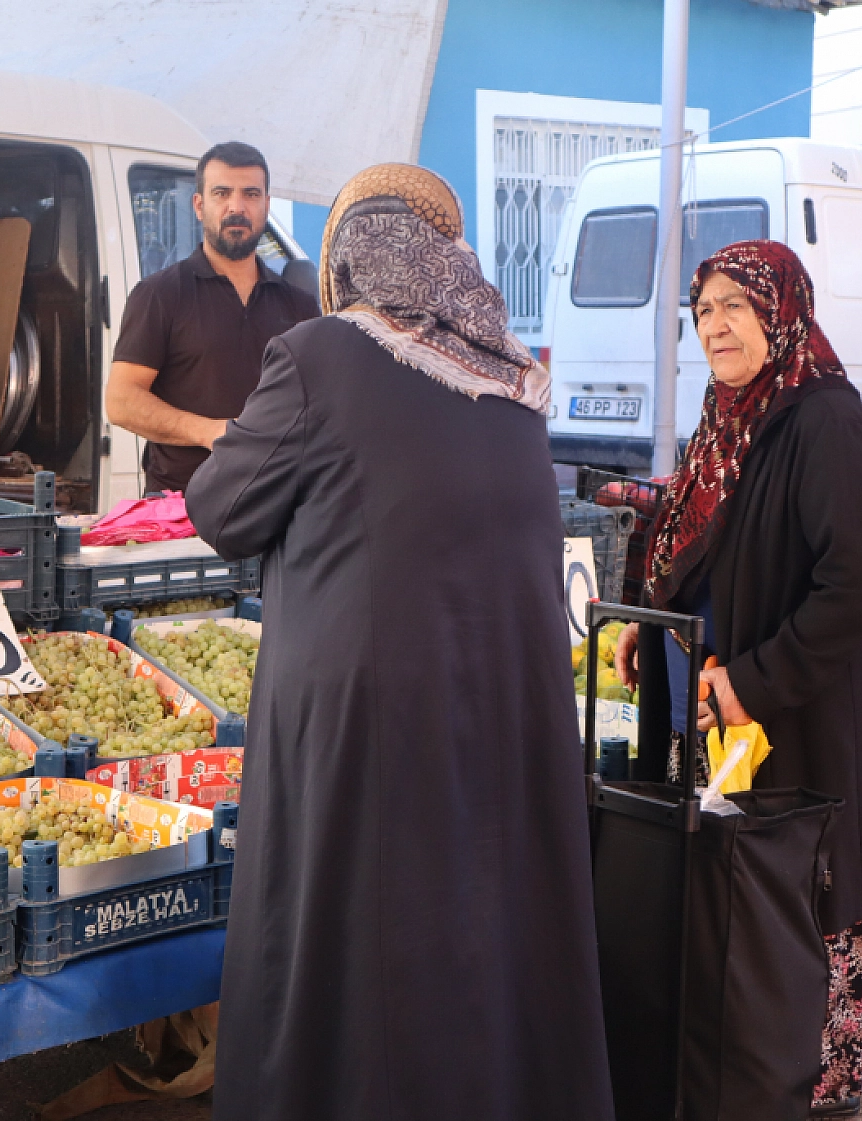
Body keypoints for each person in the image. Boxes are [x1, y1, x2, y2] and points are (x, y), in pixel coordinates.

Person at [187, 164, 613, 1121]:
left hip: (368, 723)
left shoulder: (319, 355)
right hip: (504, 713)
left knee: (357, 945)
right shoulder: (511, 375)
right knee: (480, 937)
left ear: (349, 259)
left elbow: (221, 506)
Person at [615, 240, 862, 1118]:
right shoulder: (727, 414)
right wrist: (647, 617)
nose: (715, 325)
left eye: (735, 306)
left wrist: (754, 681)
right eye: (703, 310)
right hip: (719, 702)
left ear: (781, 313)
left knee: (806, 884)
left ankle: (815, 1085)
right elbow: (690, 538)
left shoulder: (823, 418)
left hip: (802, 715)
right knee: (744, 879)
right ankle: (743, 1065)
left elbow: (856, 580)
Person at [107, 141, 320, 496]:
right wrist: (210, 432)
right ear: (199, 205)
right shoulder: (161, 295)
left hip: (278, 505)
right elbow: (121, 401)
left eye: (251, 194)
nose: (237, 207)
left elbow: (320, 404)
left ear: (267, 206)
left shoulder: (298, 305)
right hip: (183, 507)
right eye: (222, 193)